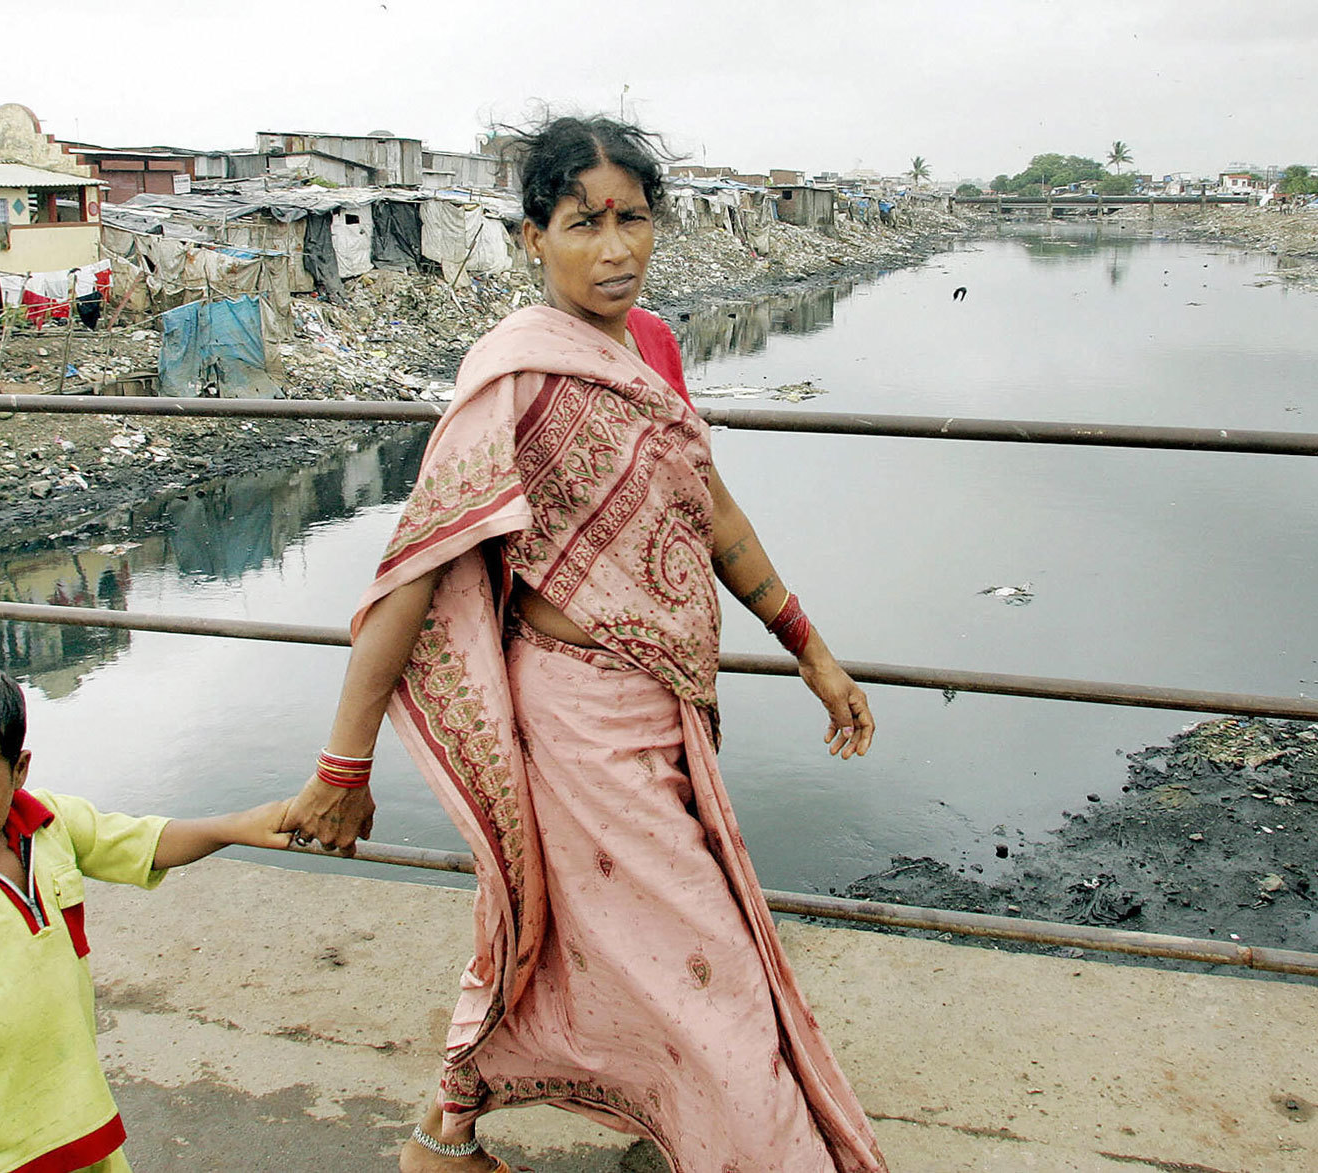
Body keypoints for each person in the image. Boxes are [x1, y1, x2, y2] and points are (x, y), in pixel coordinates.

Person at [279, 114, 888, 1173]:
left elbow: (712, 514)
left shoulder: (647, 347)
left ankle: (449, 1136)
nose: (614, 250)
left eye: (633, 219)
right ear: (531, 238)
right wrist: (343, 763)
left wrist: (809, 649)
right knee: (715, 973)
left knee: (560, 933)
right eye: (581, 224)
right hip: (574, 726)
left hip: (665, 712)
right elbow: (415, 572)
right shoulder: (513, 371)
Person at [0, 661, 292, 1173]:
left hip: (82, 1123)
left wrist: (237, 827)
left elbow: (144, 843)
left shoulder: (51, 826)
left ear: (19, 771)